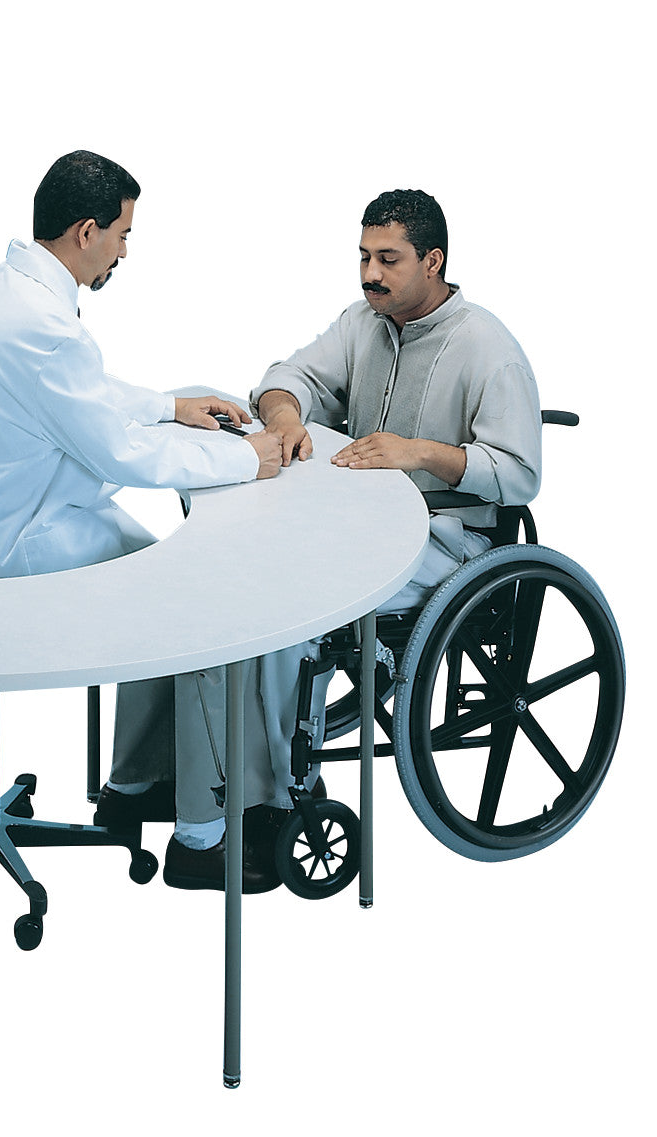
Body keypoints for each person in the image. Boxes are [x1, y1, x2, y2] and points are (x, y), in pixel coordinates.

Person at [162, 188, 542, 893]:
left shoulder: (489, 349)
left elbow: (519, 474)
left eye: (387, 258)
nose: (369, 272)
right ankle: (221, 791)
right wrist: (282, 419)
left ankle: (268, 801)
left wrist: (421, 452)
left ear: (432, 261)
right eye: (363, 256)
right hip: (359, 523)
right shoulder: (363, 324)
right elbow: (287, 376)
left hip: (448, 541)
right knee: (235, 584)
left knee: (283, 611)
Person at [0, 150, 282, 839]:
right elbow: (120, 451)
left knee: (156, 571)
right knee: (199, 602)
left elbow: (75, 398)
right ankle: (205, 834)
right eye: (122, 235)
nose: (123, 252)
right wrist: (245, 456)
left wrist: (170, 404)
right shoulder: (43, 328)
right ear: (86, 232)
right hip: (16, 542)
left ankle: (134, 784)